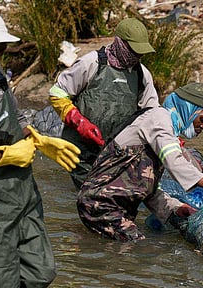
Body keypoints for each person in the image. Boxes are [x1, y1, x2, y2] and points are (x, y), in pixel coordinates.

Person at [0, 9, 80, 287]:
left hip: (22, 196)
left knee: (41, 273)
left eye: (0, 49)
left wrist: (37, 138)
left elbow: (13, 119)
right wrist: (1, 156)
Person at [77, 82, 203, 241]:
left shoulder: (164, 132)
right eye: (202, 119)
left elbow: (146, 188)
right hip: (100, 203)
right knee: (137, 252)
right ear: (189, 110)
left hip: (113, 207)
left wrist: (174, 209)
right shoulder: (159, 119)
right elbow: (176, 162)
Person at [49, 17, 160, 189]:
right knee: (89, 195)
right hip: (81, 150)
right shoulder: (91, 62)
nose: (137, 56)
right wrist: (80, 122)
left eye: (140, 53)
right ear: (120, 43)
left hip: (116, 152)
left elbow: (152, 113)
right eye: (133, 51)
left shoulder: (142, 74)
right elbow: (57, 94)